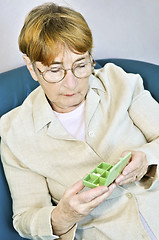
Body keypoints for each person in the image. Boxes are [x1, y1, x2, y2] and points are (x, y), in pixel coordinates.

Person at [0, 2, 159, 240]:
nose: (72, 84)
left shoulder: (119, 81)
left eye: (81, 65)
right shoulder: (14, 133)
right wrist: (64, 215)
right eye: (55, 70)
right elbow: (25, 218)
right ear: (31, 68)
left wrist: (147, 157)